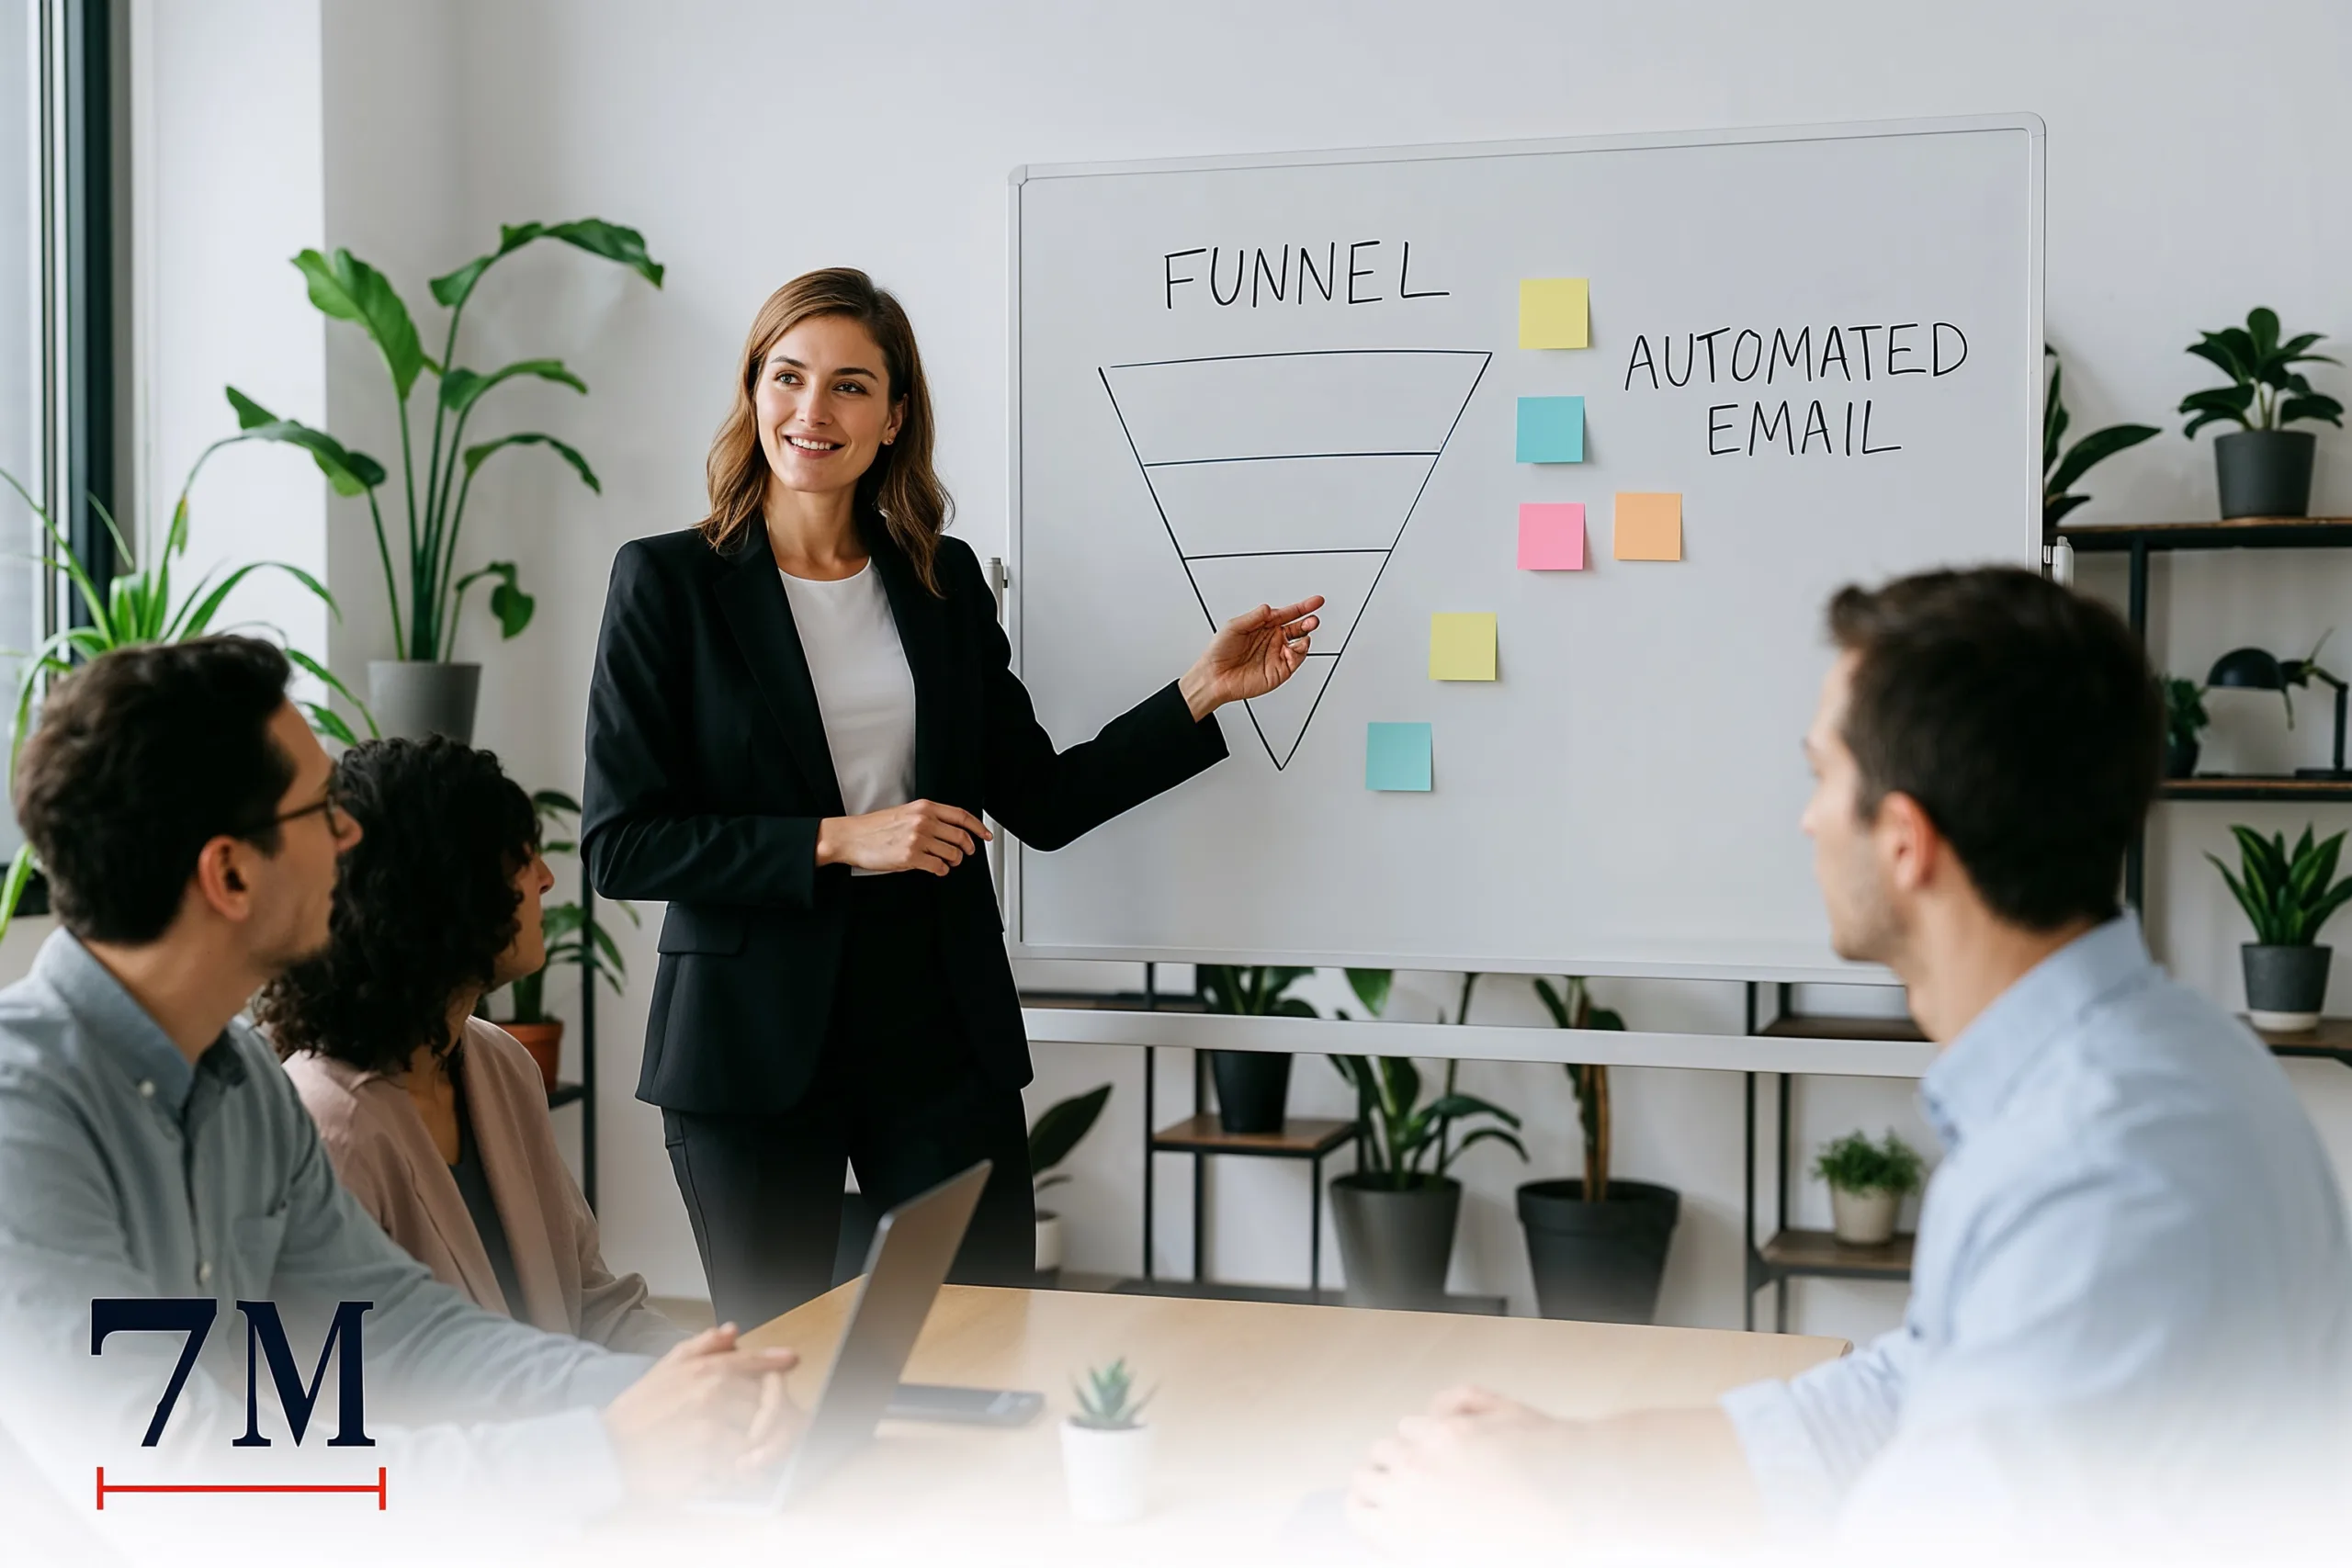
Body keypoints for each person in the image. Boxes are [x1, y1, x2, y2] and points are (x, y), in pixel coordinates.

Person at [1347, 568, 2352, 1553]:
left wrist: (1530, 1527)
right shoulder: (2147, 1064)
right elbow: (1907, 1391)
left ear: (1905, 842)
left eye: (1822, 776)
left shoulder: (2098, 1181)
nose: (1807, 818)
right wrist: (1573, 1460)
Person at [584, 266, 1324, 1325]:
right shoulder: (665, 583)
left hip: (935, 1033)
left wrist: (1202, 691)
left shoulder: (941, 582)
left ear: (891, 418)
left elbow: (1045, 799)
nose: (812, 409)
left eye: (849, 385)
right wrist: (840, 841)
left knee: (977, 1341)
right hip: (746, 1047)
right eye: (788, 376)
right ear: (753, 394)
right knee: (780, 1368)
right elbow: (623, 846)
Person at [0, 637, 797, 1519]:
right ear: (228, 872)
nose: (349, 836)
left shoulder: (244, 1087)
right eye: (318, 812)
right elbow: (162, 1477)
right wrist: (602, 1452)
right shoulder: (21, 1117)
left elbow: (402, 1326)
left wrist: (674, 1395)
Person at [261, 737, 684, 1355]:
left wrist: (717, 1370)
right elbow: (364, 1403)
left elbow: (596, 1305)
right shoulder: (328, 1131)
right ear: (442, 889)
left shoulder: (501, 1063)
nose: (546, 877)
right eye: (519, 858)